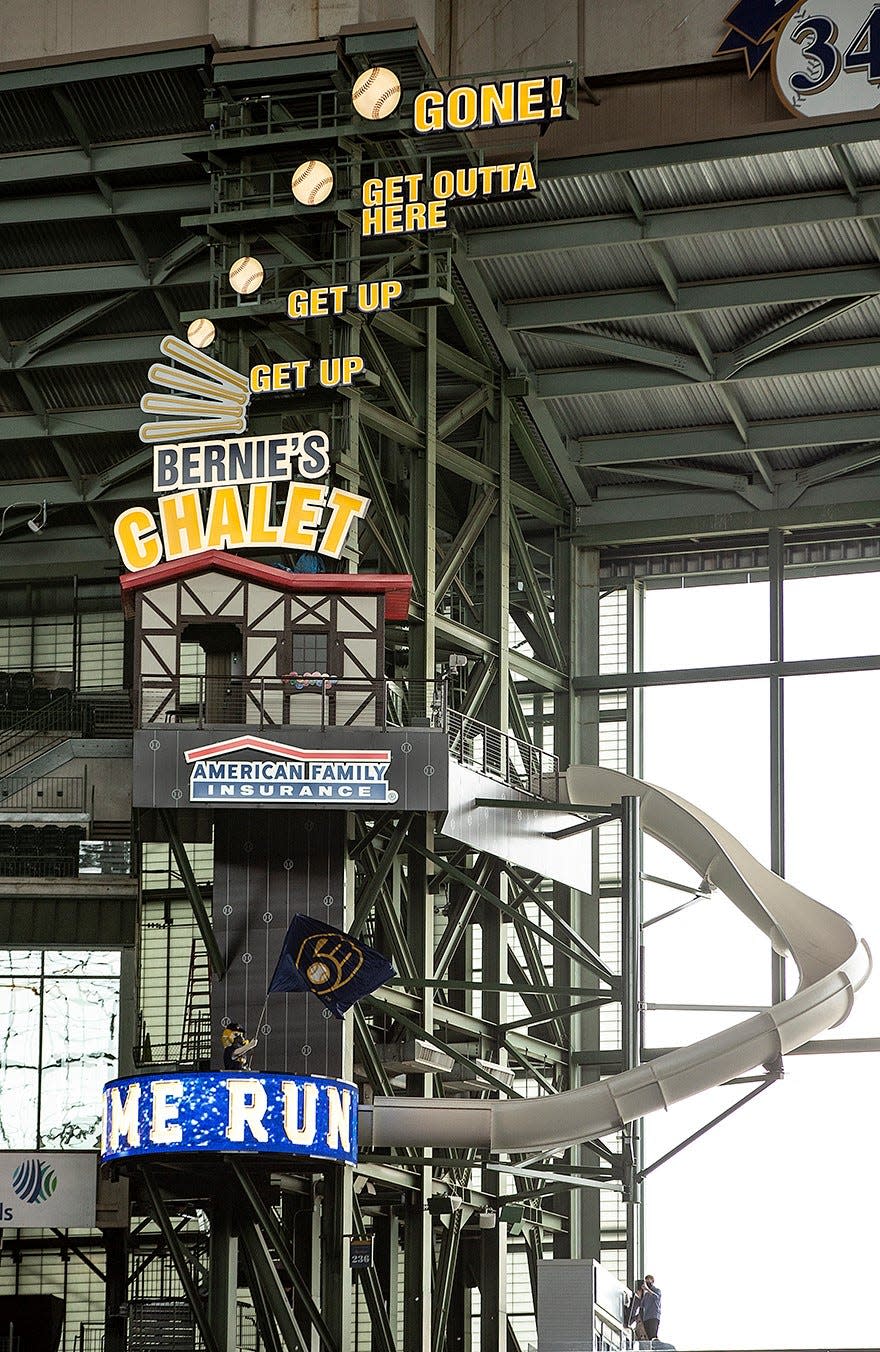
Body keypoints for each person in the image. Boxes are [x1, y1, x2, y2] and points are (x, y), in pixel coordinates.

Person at [641, 1274, 661, 1343]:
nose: (647, 1281)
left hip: (653, 1316)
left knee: (653, 1335)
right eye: (646, 1280)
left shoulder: (657, 1290)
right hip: (646, 1317)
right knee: (648, 1336)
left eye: (648, 1279)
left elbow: (656, 1297)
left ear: (652, 1281)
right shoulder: (646, 1295)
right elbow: (641, 1305)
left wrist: (647, 1289)